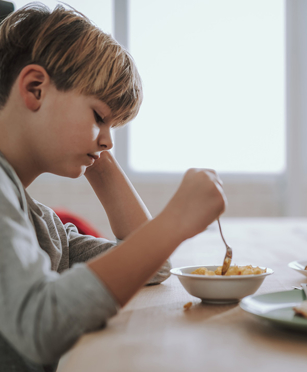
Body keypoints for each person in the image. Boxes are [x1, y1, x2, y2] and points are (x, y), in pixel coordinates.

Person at [0, 3, 226, 372]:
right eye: (99, 117)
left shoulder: (40, 224)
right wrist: (174, 221)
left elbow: (151, 267)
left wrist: (98, 160)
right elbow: (39, 325)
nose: (109, 141)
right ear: (35, 89)